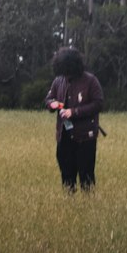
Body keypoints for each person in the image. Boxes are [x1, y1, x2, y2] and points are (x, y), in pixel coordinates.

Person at [46, 46, 104, 192]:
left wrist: (74, 112)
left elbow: (98, 104)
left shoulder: (90, 81)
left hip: (85, 136)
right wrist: (51, 104)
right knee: (66, 172)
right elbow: (48, 99)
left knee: (86, 174)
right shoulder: (58, 81)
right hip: (64, 136)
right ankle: (69, 199)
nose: (66, 75)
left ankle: (88, 202)